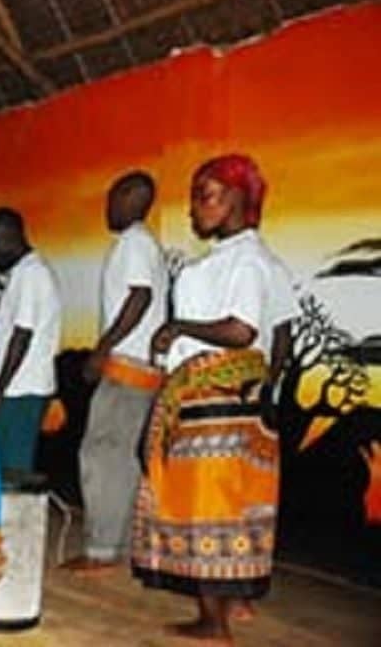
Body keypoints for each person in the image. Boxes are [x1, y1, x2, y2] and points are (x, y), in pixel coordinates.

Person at [133, 154, 278, 646]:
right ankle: (221, 610)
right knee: (212, 508)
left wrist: (178, 328)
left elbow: (242, 329)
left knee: (209, 509)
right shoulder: (226, 259)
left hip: (215, 398)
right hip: (203, 396)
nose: (196, 209)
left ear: (237, 198)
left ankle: (213, 624)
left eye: (206, 195)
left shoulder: (247, 261)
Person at [66, 171, 167, 573]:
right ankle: (119, 544)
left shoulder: (134, 244)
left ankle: (102, 549)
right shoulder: (143, 244)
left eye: (113, 199)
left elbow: (139, 297)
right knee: (119, 455)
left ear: (130, 198)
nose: (107, 207)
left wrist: (102, 348)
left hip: (126, 365)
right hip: (141, 367)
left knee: (100, 453)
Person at [0, 207, 61, 471]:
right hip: (17, 387)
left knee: (12, 471)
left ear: (9, 237)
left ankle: (15, 515)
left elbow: (22, 334)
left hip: (20, 388)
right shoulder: (24, 273)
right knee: (4, 465)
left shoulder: (31, 273)